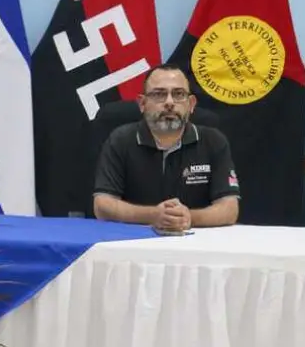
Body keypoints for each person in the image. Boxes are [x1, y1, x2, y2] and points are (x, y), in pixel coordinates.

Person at [93, 64, 239, 230]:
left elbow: (229, 209)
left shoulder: (213, 141)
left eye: (178, 94)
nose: (169, 102)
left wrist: (189, 217)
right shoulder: (120, 140)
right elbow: (102, 206)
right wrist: (153, 216)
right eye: (159, 94)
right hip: (133, 240)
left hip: (195, 240)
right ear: (142, 103)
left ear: (191, 104)